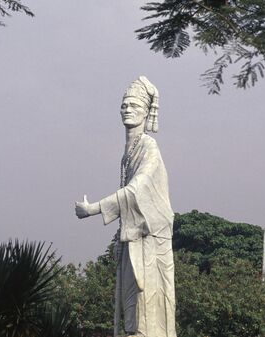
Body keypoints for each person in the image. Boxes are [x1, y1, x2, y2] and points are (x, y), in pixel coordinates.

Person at [75, 76, 176, 337]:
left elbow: (137, 189)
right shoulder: (128, 151)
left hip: (151, 239)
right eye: (124, 105)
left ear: (145, 112)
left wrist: (93, 209)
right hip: (134, 238)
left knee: (146, 307)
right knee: (131, 308)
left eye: (134, 105)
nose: (127, 109)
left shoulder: (149, 147)